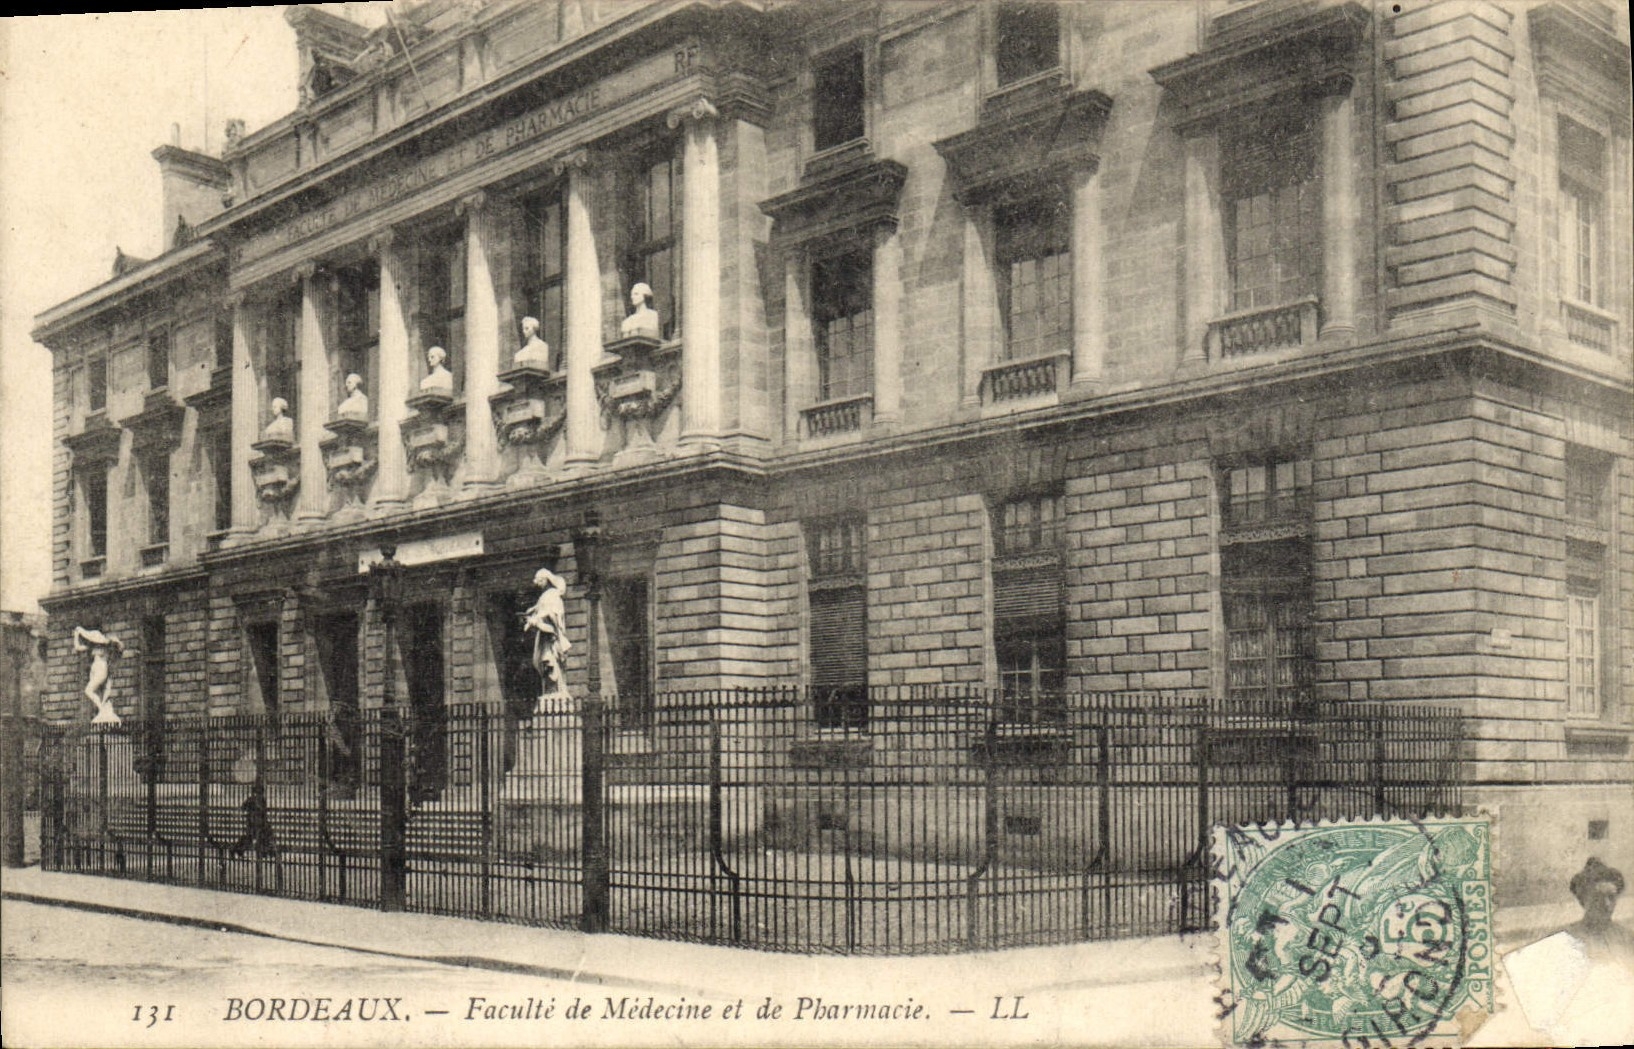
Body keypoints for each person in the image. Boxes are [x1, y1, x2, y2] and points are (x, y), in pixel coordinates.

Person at [522, 568, 572, 709]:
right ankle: (550, 692)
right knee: (542, 663)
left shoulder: (553, 595)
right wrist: (533, 611)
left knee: (550, 662)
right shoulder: (544, 596)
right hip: (544, 636)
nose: (538, 584)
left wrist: (537, 619)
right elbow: (539, 607)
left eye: (540, 580)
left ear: (547, 580)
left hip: (551, 638)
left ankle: (556, 692)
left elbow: (554, 616)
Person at [72, 626, 124, 724]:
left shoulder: (106, 645)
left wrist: (81, 630)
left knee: (88, 690)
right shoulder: (93, 647)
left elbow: (94, 636)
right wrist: (76, 635)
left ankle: (102, 709)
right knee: (97, 693)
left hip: (101, 669)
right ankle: (103, 709)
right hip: (95, 670)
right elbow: (78, 647)